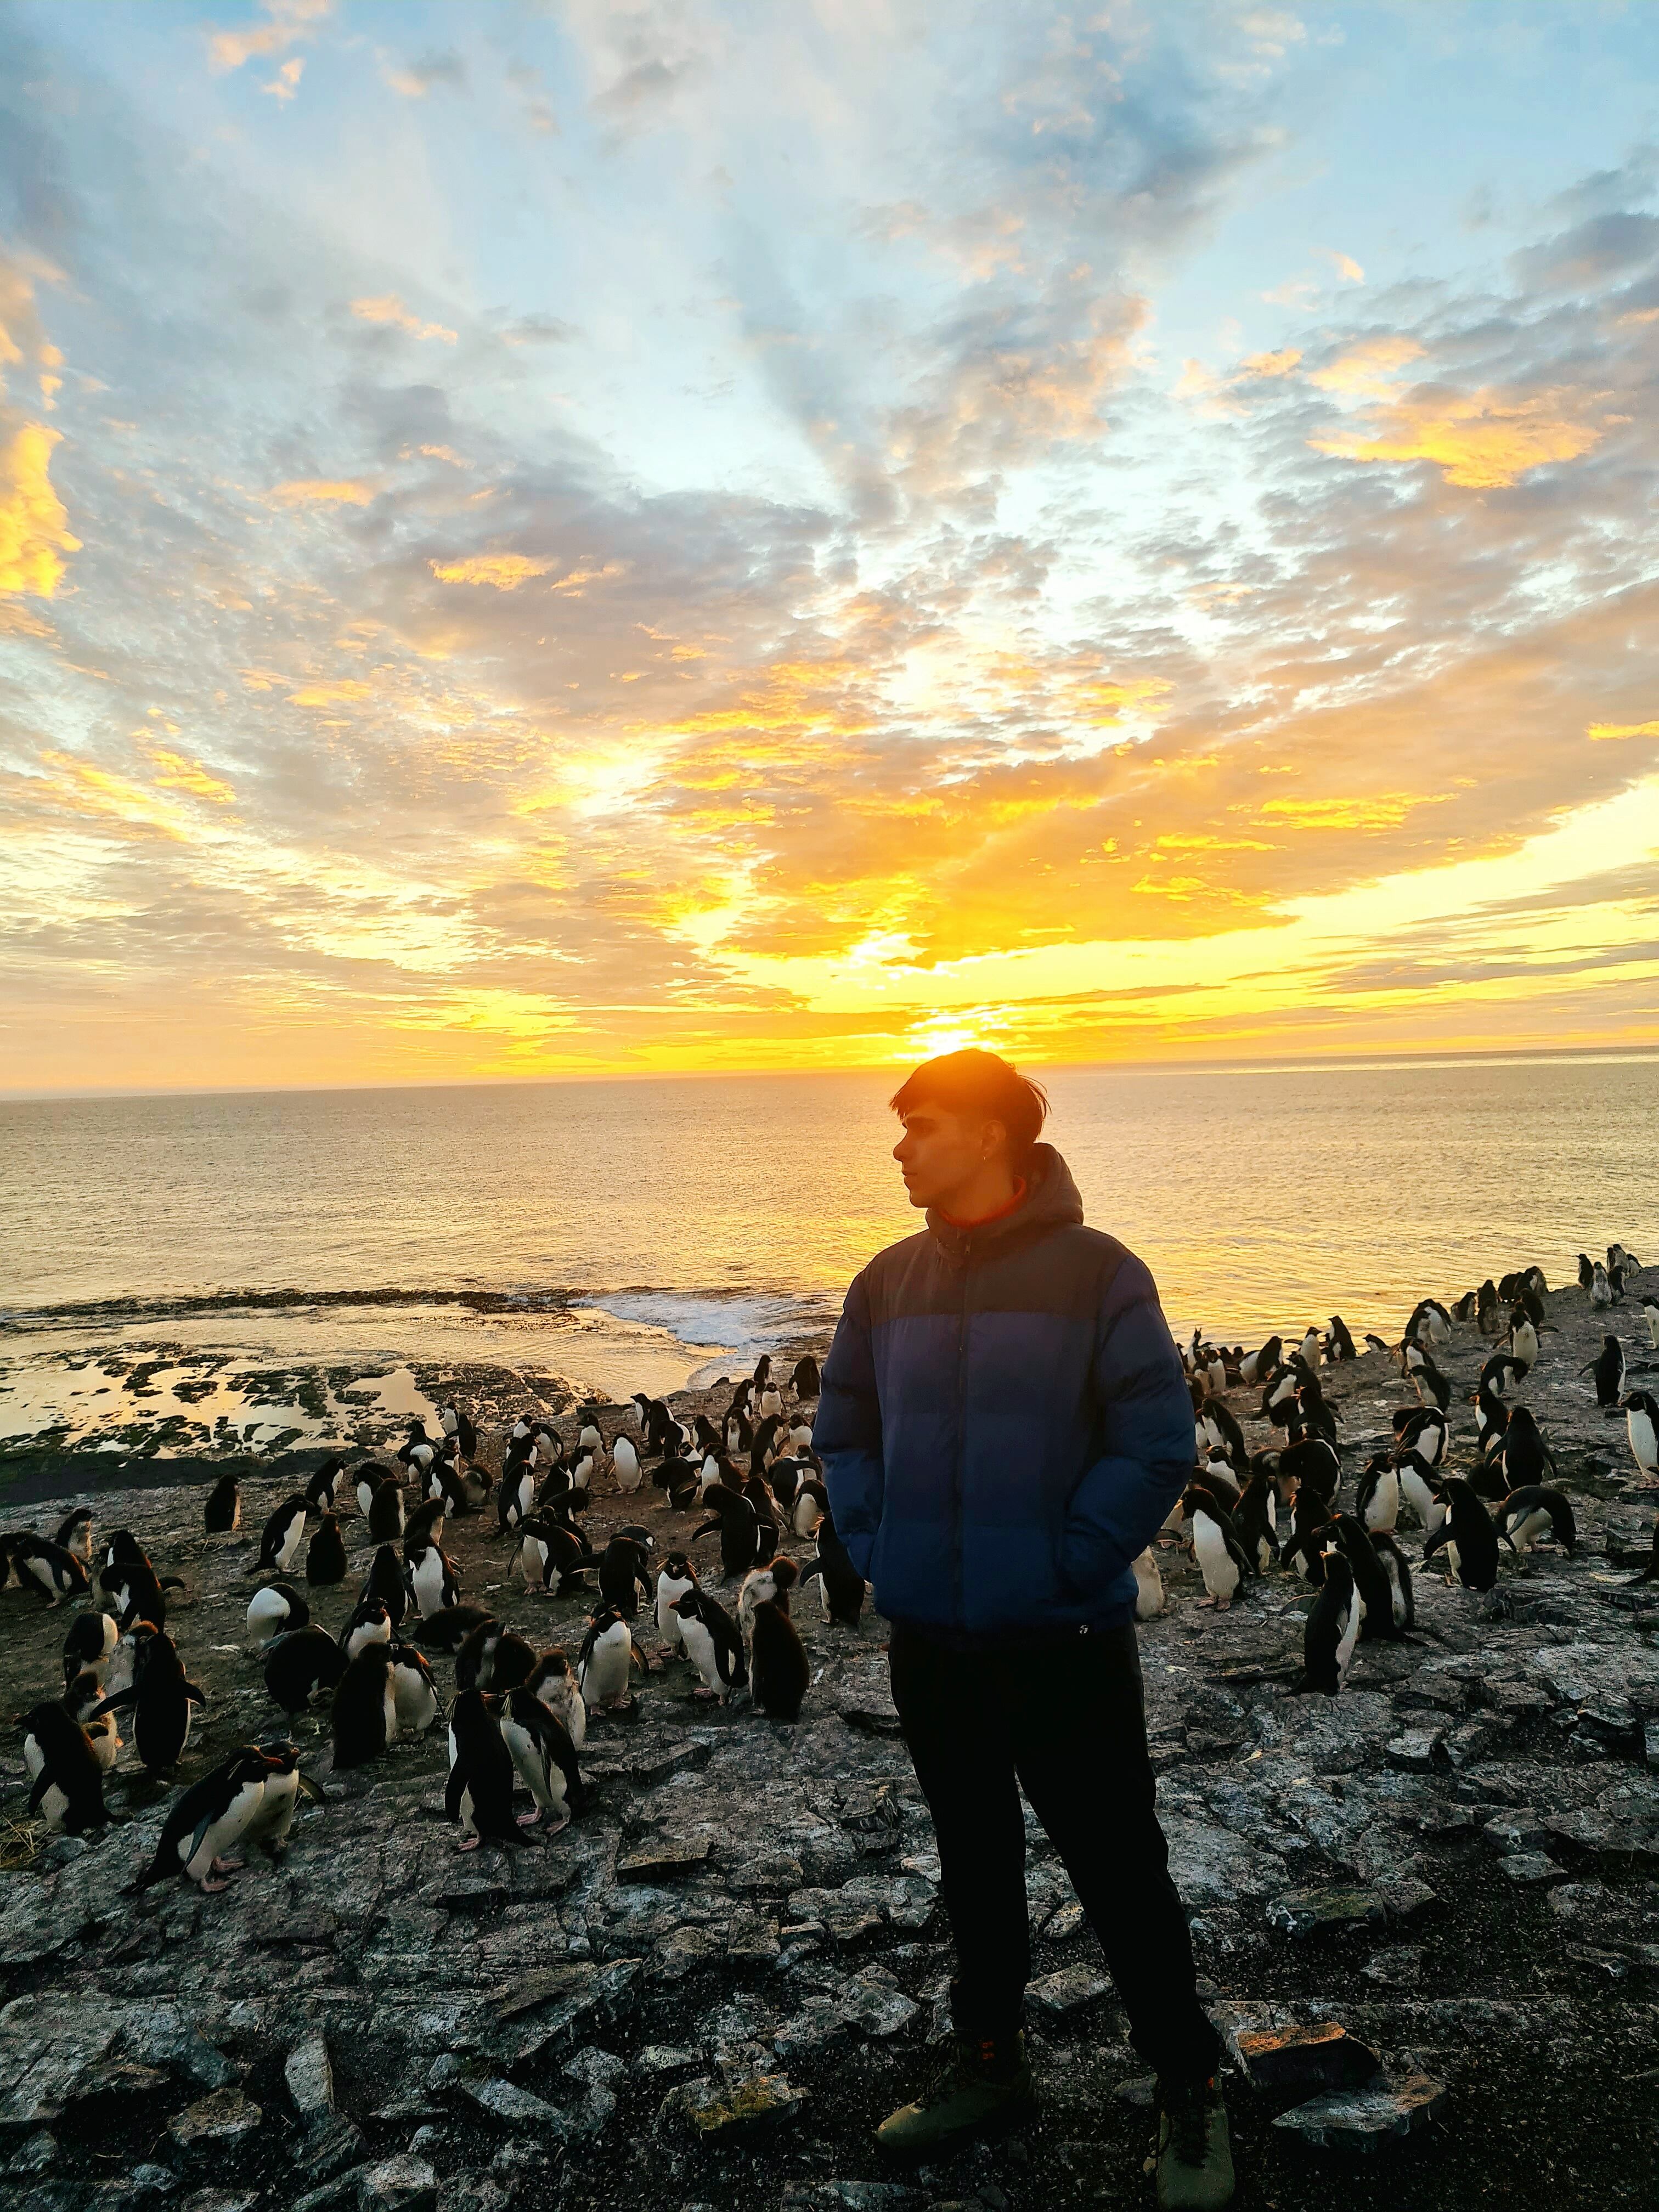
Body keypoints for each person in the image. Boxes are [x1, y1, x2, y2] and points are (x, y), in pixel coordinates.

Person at [816, 1049, 1233, 2210]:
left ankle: (1188, 2078)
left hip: (1064, 1645)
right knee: (974, 1864)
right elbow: (843, 1427)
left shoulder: (1099, 1276)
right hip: (934, 1645)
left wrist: (1066, 1564)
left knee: (1119, 1868)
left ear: (994, 1135)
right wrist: (877, 1544)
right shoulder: (885, 1282)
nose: (899, 1145)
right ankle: (990, 2063)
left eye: (923, 1124)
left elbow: (1155, 1443)